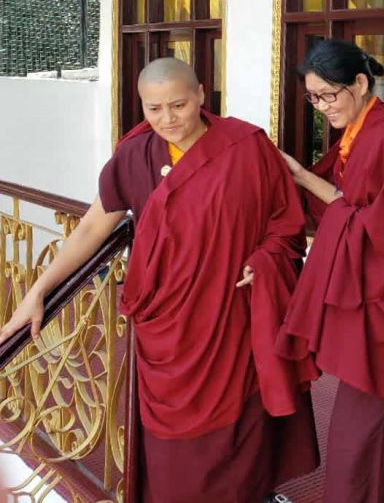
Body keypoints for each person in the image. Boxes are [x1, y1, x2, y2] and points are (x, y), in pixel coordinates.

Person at [0, 58, 319, 503]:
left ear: (202, 95)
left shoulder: (246, 146)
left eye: (179, 105)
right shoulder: (136, 155)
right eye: (154, 109)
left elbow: (285, 224)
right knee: (173, 457)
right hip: (166, 324)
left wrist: (265, 258)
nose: (168, 119)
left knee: (240, 432)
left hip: (230, 315)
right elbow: (94, 227)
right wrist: (39, 291)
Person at [276, 40, 384, 503]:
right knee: (381, 422)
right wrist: (302, 178)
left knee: (368, 427)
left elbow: (382, 229)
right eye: (313, 98)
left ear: (360, 84)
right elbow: (356, 209)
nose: (322, 107)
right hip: (381, 287)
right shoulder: (362, 131)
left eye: (328, 95)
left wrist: (303, 178)